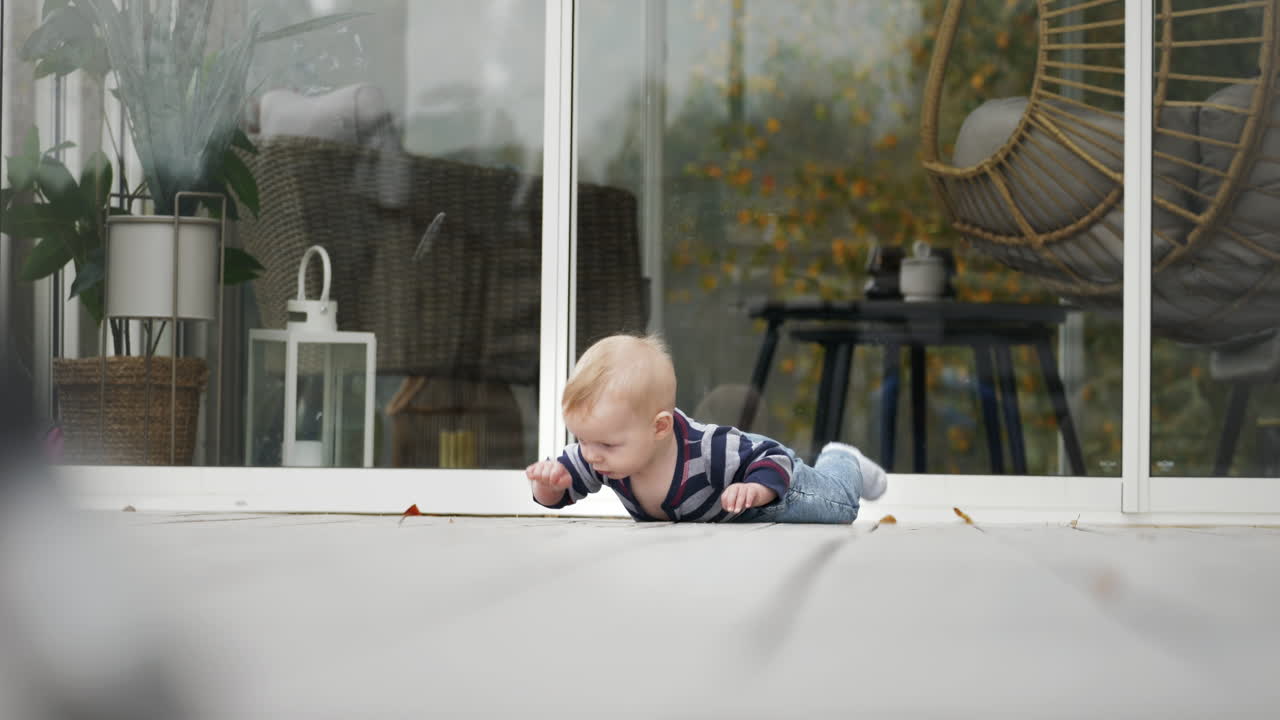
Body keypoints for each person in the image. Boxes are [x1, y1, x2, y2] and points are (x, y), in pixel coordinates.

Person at [525, 334, 886, 523]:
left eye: (604, 444)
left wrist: (757, 489)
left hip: (774, 486)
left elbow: (770, 456)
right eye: (581, 440)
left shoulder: (709, 449)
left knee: (840, 506)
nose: (590, 454)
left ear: (660, 428)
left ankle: (842, 458)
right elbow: (559, 495)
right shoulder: (602, 452)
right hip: (737, 509)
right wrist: (547, 485)